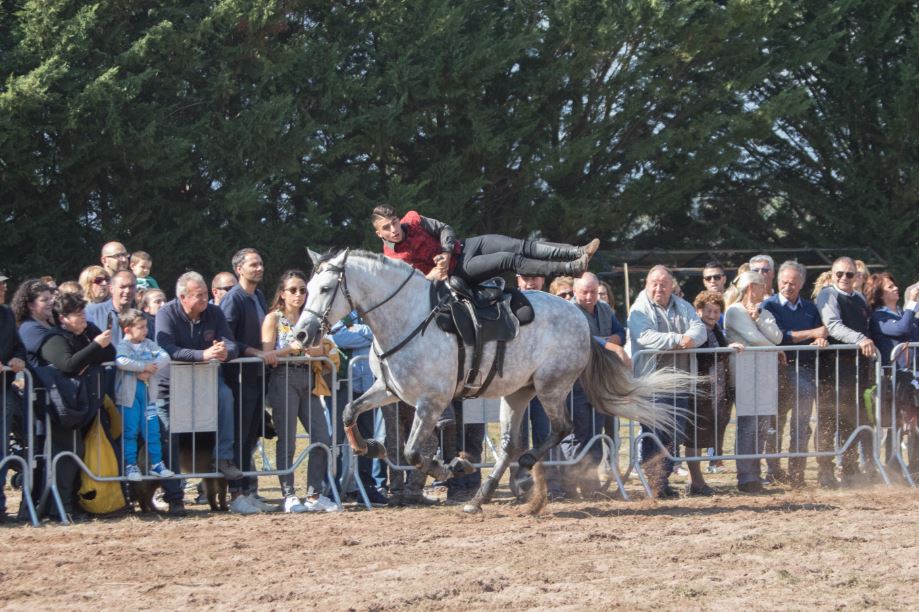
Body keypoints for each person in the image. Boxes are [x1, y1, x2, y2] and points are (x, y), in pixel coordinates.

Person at [155, 272, 243, 516]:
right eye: (200, 295)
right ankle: (174, 496)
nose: (206, 298)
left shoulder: (214, 313)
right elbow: (166, 348)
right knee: (168, 436)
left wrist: (226, 352)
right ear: (183, 297)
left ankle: (224, 458)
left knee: (226, 397)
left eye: (206, 293)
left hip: (206, 383)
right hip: (171, 387)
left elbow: (231, 342)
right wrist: (201, 355)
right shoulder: (166, 314)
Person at [261, 270, 340, 513]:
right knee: (288, 439)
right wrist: (291, 350)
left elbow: (322, 347)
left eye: (302, 290)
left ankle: (314, 494)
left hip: (309, 376)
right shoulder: (274, 318)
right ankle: (289, 495)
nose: (298, 295)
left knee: (322, 437)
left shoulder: (311, 319)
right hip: (283, 377)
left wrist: (319, 352)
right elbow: (267, 355)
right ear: (282, 294)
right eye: (293, 290)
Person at [628, 265, 707, 499]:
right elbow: (645, 337)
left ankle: (662, 481)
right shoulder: (639, 308)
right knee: (653, 433)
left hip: (679, 384)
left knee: (674, 435)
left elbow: (699, 330)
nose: (659, 288)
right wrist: (678, 340)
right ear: (646, 284)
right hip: (652, 384)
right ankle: (653, 483)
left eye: (664, 283)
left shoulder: (683, 306)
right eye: (654, 283)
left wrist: (689, 339)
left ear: (672, 286)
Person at [371, 205, 599, 283]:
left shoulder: (413, 219)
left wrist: (447, 251)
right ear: (378, 233)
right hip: (459, 271)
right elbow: (416, 282)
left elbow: (445, 229)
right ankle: (572, 268)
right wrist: (436, 271)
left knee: (519, 245)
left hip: (464, 247)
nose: (394, 230)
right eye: (387, 228)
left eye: (394, 222)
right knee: (509, 259)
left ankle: (578, 251)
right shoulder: (391, 258)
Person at [38, 293, 116, 518]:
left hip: (87, 404)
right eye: (78, 314)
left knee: (82, 455)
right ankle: (59, 509)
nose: (83, 318)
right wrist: (94, 346)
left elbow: (109, 353)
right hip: (62, 409)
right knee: (66, 457)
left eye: (84, 312)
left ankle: (77, 505)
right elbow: (68, 364)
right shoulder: (54, 339)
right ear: (63, 318)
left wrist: (93, 344)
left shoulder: (88, 330)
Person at [561, 272, 629, 497]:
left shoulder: (605, 309)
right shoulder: (569, 311)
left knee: (594, 433)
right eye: (584, 292)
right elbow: (584, 339)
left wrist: (611, 342)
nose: (589, 296)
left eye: (593, 291)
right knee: (576, 434)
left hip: (598, 382)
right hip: (574, 383)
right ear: (575, 292)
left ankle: (590, 485)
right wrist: (612, 346)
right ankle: (570, 485)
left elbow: (620, 332)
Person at [219, 248, 276, 511]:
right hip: (240, 377)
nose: (260, 268)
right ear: (239, 269)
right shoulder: (233, 299)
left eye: (261, 263)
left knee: (251, 436)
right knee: (239, 437)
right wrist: (254, 352)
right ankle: (237, 493)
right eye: (254, 264)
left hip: (258, 375)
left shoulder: (259, 296)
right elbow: (227, 337)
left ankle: (250, 491)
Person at [762, 261, 828, 487]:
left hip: (806, 371)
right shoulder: (768, 306)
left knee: (800, 425)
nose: (787, 287)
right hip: (777, 372)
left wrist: (820, 338)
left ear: (801, 284)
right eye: (784, 282)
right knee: (775, 423)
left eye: (792, 283)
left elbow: (821, 333)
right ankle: (773, 470)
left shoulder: (810, 308)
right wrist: (812, 333)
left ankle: (796, 472)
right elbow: (780, 337)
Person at [816, 257, 877, 488]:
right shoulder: (828, 294)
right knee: (828, 422)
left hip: (857, 370)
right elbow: (832, 325)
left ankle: (850, 471)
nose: (844, 278)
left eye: (849, 274)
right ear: (832, 275)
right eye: (839, 273)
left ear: (856, 276)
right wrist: (860, 339)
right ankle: (825, 472)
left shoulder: (859, 298)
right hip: (832, 369)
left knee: (852, 420)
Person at [724, 271, 784, 494]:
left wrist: (759, 317)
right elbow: (757, 339)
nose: (765, 290)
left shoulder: (764, 311)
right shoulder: (734, 311)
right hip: (745, 374)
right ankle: (746, 476)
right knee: (748, 425)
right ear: (751, 288)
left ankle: (755, 474)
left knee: (761, 424)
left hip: (765, 373)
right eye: (761, 286)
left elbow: (776, 337)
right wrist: (774, 347)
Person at [329, 312, 390, 507]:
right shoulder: (340, 313)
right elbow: (337, 337)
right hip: (343, 385)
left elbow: (385, 334)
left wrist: (360, 332)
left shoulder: (370, 310)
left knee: (365, 439)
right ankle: (332, 489)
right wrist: (370, 333)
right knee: (336, 439)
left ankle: (367, 487)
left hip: (367, 388)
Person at [114, 309, 174, 481]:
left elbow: (165, 356)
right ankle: (130, 465)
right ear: (127, 330)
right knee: (130, 430)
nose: (145, 330)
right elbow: (122, 361)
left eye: (145, 326)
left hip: (149, 395)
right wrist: (143, 367)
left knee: (152, 430)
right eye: (140, 327)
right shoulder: (123, 346)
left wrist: (150, 368)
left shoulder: (148, 344)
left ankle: (157, 463)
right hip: (129, 398)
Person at [691, 291, 742, 490]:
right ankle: (695, 479)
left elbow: (721, 348)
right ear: (699, 311)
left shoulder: (717, 330)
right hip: (701, 387)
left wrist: (729, 346)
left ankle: (703, 474)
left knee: (710, 431)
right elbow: (703, 357)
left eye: (716, 311)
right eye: (709, 310)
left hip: (717, 388)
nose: (712, 315)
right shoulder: (697, 329)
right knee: (694, 435)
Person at [0, 299, 27, 522]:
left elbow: (19, 345)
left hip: (3, 388)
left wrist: (17, 357)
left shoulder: (7, 314)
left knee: (1, 449)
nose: (3, 289)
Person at [10, 279, 55, 368]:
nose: (51, 302)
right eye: (44, 300)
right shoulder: (30, 329)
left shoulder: (51, 323)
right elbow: (60, 355)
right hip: (43, 380)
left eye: (50, 298)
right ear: (30, 305)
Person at [86, 270, 136, 346]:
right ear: (111, 289)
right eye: (122, 287)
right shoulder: (93, 312)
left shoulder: (141, 317)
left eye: (131, 286)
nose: (127, 291)